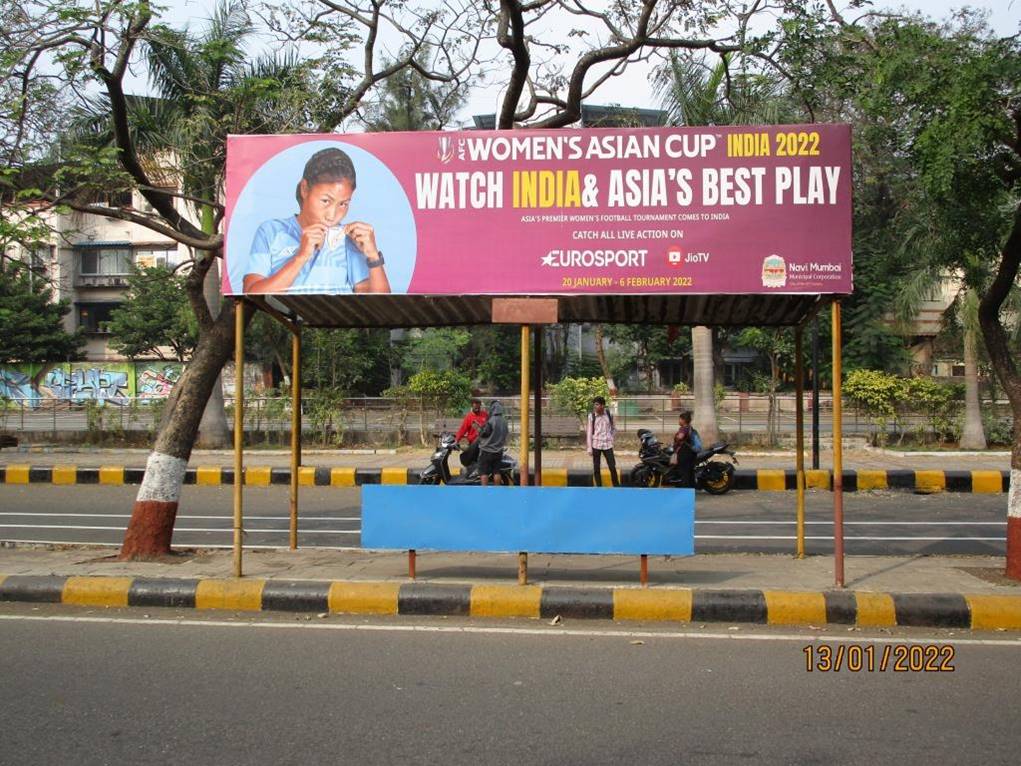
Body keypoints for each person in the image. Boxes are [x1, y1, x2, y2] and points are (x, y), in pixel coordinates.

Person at [243, 147, 391, 295]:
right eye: (325, 201)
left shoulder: (349, 240)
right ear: (304, 189)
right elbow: (251, 294)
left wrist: (373, 256)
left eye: (343, 204)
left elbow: (377, 303)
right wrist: (301, 257)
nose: (332, 216)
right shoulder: (271, 231)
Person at [586, 396, 619, 487]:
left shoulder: (609, 414)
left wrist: (611, 437)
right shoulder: (591, 416)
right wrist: (589, 448)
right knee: (596, 468)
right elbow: (589, 433)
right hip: (596, 445)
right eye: (594, 405)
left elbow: (614, 428)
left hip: (608, 445)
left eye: (597, 404)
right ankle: (599, 487)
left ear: (602, 405)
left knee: (612, 466)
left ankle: (616, 486)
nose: (595, 406)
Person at [476, 400, 508, 486]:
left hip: (487, 450)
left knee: (484, 472)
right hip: (498, 451)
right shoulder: (504, 421)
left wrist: (479, 429)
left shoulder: (491, 421)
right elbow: (506, 434)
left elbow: (484, 433)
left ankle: (484, 491)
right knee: (496, 472)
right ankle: (497, 490)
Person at [455, 398, 488, 466]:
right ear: (472, 406)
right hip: (472, 443)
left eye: (478, 406)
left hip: (484, 443)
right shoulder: (469, 417)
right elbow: (462, 430)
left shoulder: (485, 415)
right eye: (475, 406)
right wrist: (456, 440)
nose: (476, 408)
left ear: (480, 406)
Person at [671, 410, 697, 488]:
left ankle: (686, 491)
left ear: (683, 420)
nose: (679, 421)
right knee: (689, 472)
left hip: (685, 453)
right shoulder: (690, 427)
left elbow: (680, 437)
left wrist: (676, 436)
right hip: (690, 453)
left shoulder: (684, 428)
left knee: (684, 473)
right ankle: (691, 490)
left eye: (679, 419)